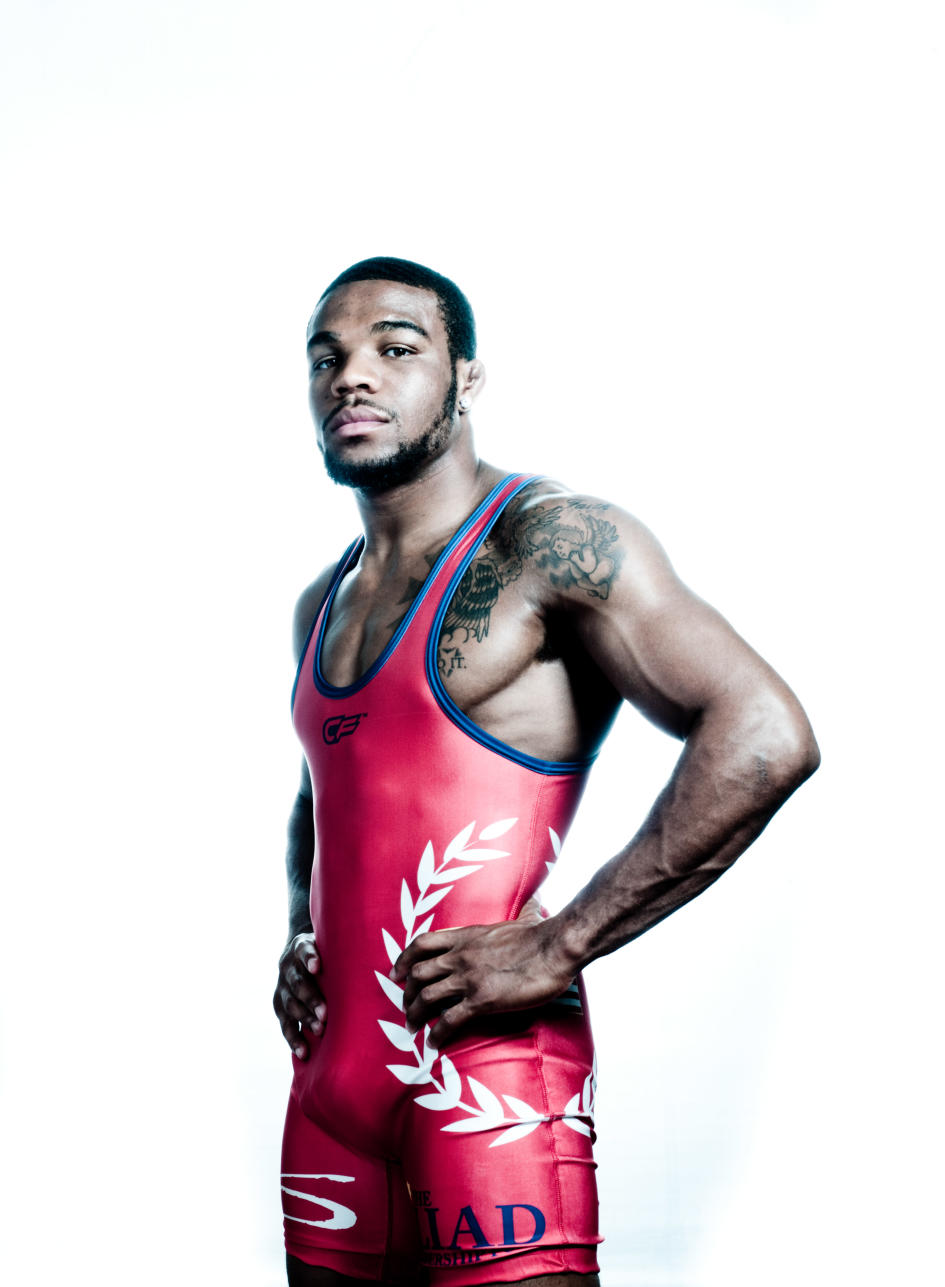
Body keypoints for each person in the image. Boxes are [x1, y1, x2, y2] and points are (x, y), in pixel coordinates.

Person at [273, 257, 819, 1286]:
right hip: (329, 1096)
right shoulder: (325, 600)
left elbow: (764, 732)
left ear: (465, 380)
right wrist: (298, 935)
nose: (354, 377)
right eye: (328, 358)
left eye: (396, 349)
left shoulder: (551, 545)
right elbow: (325, 791)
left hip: (489, 1084)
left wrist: (563, 943)